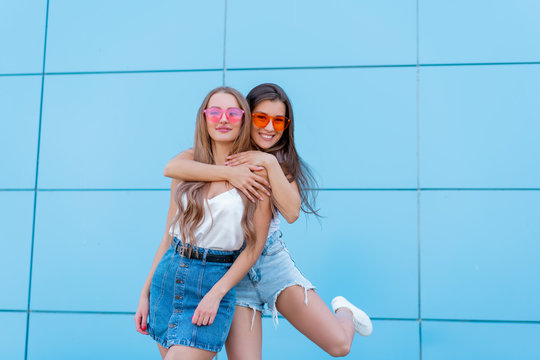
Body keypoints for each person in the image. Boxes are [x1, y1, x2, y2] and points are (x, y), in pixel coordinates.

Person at [163, 83, 372, 359]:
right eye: (261, 118)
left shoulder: (279, 166)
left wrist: (269, 163)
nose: (269, 128)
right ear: (247, 117)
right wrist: (232, 174)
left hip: (272, 264)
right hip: (232, 272)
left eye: (279, 121)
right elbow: (174, 168)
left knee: (340, 346)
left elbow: (292, 212)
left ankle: (343, 310)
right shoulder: (223, 152)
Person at [134, 86, 271, 360]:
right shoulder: (188, 167)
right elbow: (167, 237)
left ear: (244, 119)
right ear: (204, 118)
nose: (223, 119)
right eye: (215, 112)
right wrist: (145, 292)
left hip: (212, 281)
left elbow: (253, 248)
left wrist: (217, 293)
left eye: (232, 113)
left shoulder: (256, 175)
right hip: (169, 278)